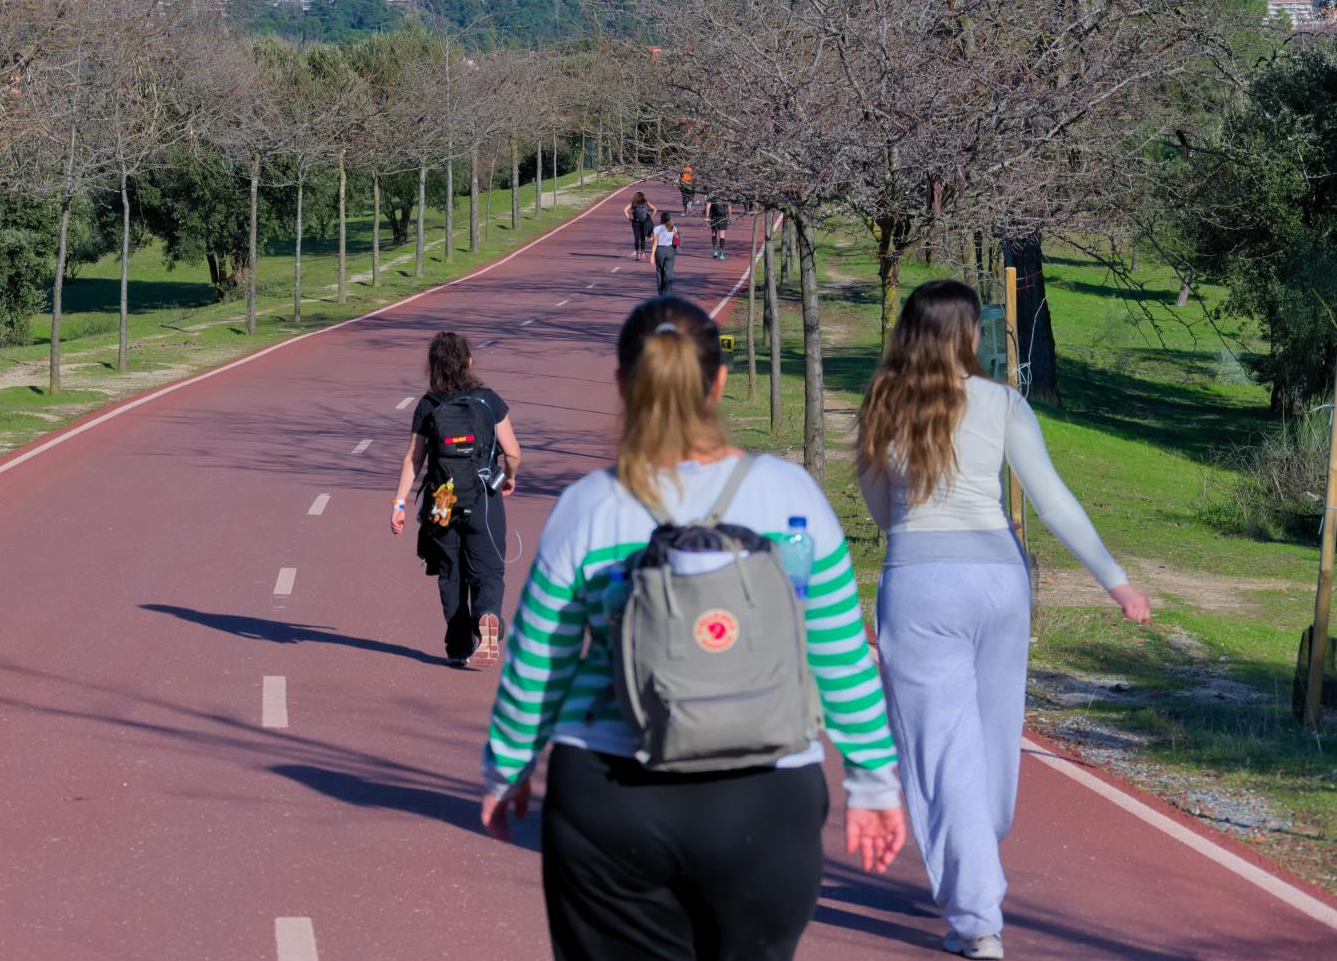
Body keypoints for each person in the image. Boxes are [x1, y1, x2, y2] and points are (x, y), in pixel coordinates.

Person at [482, 296, 906, 959]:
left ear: (623, 384)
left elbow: (540, 658)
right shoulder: (791, 495)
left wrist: (508, 764)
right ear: (719, 381)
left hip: (611, 791)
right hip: (767, 794)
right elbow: (839, 656)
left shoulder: (591, 506)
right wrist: (873, 780)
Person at [858, 280, 1150, 961]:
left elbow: (881, 511)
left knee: (942, 752)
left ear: (908, 333)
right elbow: (1053, 502)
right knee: (993, 737)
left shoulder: (883, 403)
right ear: (968, 335)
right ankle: (978, 855)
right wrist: (1116, 580)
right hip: (998, 582)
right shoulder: (1003, 401)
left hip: (921, 585)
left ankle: (976, 919)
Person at [393, 331, 522, 667]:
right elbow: (513, 452)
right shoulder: (489, 401)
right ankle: (488, 615)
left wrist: (399, 503)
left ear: (434, 366)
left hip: (443, 501)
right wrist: (508, 476)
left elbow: (413, 459)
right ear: (469, 361)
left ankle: (459, 646)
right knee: (488, 569)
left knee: (451, 574)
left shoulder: (428, 405)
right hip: (484, 498)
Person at [651, 211, 679, 294]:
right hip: (670, 250)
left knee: (659, 271)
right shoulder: (673, 228)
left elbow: (654, 243)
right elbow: (677, 241)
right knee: (669, 273)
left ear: (661, 219)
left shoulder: (656, 229)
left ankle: (660, 293)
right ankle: (668, 293)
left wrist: (652, 256)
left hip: (660, 250)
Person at [625, 191, 657, 261]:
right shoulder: (645, 202)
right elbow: (655, 209)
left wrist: (630, 219)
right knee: (643, 238)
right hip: (644, 222)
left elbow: (625, 210)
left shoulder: (633, 203)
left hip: (635, 223)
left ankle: (638, 254)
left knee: (636, 238)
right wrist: (650, 218)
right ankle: (642, 253)